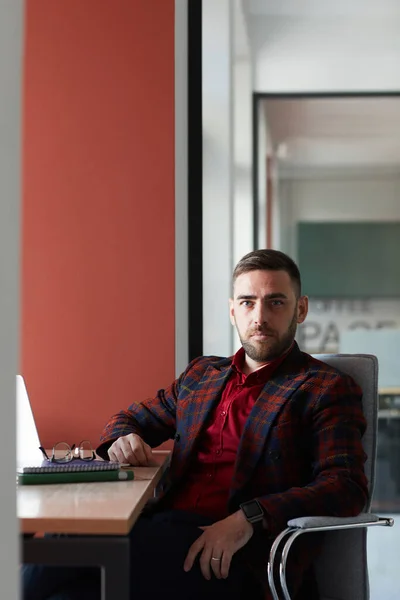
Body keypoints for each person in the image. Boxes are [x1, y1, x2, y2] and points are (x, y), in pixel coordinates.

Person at [22, 249, 368, 600]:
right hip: (165, 530)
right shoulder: (203, 375)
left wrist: (248, 518)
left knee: (61, 545)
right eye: (248, 303)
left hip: (235, 557)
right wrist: (123, 437)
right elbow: (129, 418)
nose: (259, 317)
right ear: (233, 310)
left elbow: (345, 485)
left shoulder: (323, 387)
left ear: (301, 309)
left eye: (275, 302)